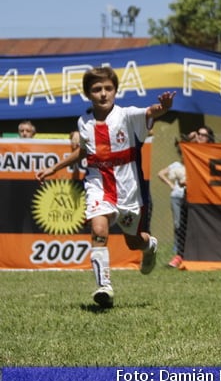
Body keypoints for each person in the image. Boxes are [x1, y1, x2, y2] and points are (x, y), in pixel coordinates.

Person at [35, 66, 175, 307]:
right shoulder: (84, 121)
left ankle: (149, 245)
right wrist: (55, 167)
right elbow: (85, 150)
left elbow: (152, 111)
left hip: (129, 191)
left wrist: (163, 107)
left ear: (115, 91)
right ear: (88, 94)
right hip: (98, 184)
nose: (103, 93)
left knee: (134, 242)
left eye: (108, 88)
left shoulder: (127, 115)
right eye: (96, 89)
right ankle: (104, 287)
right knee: (99, 231)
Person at [158, 138, 187, 269]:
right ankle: (177, 249)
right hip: (177, 196)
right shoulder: (176, 165)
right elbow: (160, 173)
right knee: (178, 223)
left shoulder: (193, 163)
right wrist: (171, 185)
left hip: (189, 197)